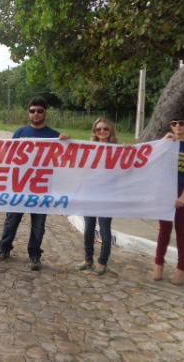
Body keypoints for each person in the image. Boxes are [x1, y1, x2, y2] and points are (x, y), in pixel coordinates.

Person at [0, 97, 68, 271]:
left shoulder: (55, 136)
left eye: (40, 111)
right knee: (11, 220)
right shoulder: (19, 133)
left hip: (42, 188)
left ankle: (35, 254)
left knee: (39, 225)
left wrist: (67, 142)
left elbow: (65, 159)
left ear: (45, 113)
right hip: (19, 186)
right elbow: (9, 157)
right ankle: (4, 249)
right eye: (33, 110)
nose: (36, 114)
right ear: (28, 113)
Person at [154, 112, 184, 285]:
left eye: (181, 123)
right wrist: (163, 142)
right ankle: (158, 264)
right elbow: (151, 161)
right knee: (163, 231)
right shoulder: (166, 144)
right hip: (165, 194)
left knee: (181, 232)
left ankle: (181, 268)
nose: (177, 127)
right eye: (173, 123)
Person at [77, 117, 118, 276]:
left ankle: (102, 261)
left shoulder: (117, 150)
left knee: (104, 229)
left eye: (105, 129)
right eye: (98, 129)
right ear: (94, 132)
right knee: (88, 228)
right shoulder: (89, 149)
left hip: (107, 196)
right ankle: (88, 259)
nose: (102, 132)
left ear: (110, 131)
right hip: (90, 194)